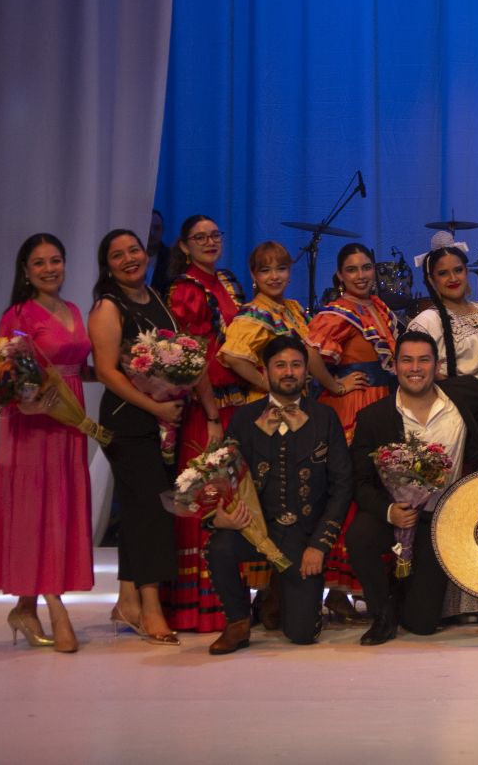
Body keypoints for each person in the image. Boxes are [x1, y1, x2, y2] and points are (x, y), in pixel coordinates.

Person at [205, 337, 351, 655]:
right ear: (265, 371)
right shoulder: (244, 418)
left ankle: (280, 591)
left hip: (302, 535)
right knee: (220, 546)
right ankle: (238, 622)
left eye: (296, 365)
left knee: (301, 635)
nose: (288, 372)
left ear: (306, 371)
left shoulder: (325, 417)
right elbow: (222, 475)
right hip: (255, 528)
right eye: (280, 365)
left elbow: (342, 486)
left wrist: (319, 545)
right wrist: (220, 514)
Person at [348, 330, 478, 645]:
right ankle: (382, 613)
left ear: (436, 365)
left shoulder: (464, 398)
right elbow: (360, 482)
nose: (415, 368)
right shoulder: (373, 417)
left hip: (440, 519)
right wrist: (390, 511)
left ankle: (402, 591)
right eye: (407, 360)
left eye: (423, 360)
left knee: (422, 624)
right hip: (395, 516)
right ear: (395, 365)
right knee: (360, 534)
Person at [0, 233, 94, 653]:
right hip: (33, 426)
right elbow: (1, 376)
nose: (49, 269)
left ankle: (24, 609)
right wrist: (26, 404)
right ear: (26, 270)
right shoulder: (17, 314)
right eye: (39, 263)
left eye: (56, 260)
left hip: (69, 421)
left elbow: (78, 368)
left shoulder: (74, 310)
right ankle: (56, 606)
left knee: (59, 508)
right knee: (37, 510)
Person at [89, 229, 186, 645]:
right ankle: (150, 608)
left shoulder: (156, 297)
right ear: (107, 265)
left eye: (134, 250)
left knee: (137, 510)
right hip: (127, 420)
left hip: (160, 418)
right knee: (152, 512)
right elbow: (107, 371)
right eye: (118, 255)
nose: (129, 258)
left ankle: (126, 601)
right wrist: (155, 405)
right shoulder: (108, 306)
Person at [306, 243, 400, 620]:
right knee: (351, 492)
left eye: (366, 267)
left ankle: (368, 581)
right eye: (352, 269)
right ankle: (337, 589)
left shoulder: (377, 307)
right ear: (340, 276)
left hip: (381, 401)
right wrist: (335, 384)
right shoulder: (338, 312)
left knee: (377, 489)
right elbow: (310, 353)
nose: (361, 275)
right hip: (354, 405)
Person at [164, 213, 247, 633]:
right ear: (184, 246)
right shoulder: (186, 289)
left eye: (215, 235)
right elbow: (193, 355)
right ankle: (199, 605)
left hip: (234, 402)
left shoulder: (225, 282)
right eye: (200, 237)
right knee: (205, 492)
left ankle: (233, 600)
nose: (210, 242)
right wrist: (212, 414)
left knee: (232, 494)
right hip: (207, 407)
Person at [219, 241, 349, 408]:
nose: (274, 277)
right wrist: (268, 384)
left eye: (281, 269)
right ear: (253, 275)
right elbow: (232, 356)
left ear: (289, 272)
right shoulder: (255, 313)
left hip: (297, 399)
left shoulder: (293, 308)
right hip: (270, 406)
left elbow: (310, 353)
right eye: (265, 271)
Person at [406, 240, 478, 414]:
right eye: (443, 273)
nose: (453, 278)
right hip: (457, 407)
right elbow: (418, 370)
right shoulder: (427, 321)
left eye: (458, 270)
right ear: (432, 280)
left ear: (467, 271)